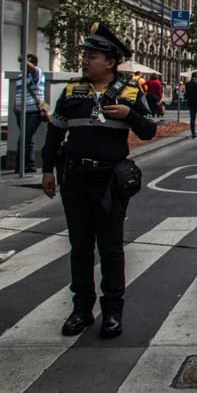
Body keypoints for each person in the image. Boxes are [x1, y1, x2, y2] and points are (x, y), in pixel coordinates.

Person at [40, 24, 155, 339]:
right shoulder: (73, 91)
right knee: (79, 247)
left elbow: (148, 130)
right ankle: (81, 309)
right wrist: (48, 169)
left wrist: (128, 115)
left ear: (110, 61)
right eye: (85, 56)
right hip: (75, 178)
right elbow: (54, 132)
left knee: (111, 249)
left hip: (109, 182)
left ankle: (113, 312)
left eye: (92, 56)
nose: (85, 61)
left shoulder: (131, 91)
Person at [13, 53, 46, 173]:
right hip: (21, 112)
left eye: (26, 63)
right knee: (28, 139)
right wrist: (15, 107)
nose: (23, 65)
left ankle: (19, 167)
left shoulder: (37, 73)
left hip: (33, 112)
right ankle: (30, 165)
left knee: (24, 138)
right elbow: (18, 93)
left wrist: (23, 57)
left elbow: (32, 68)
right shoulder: (20, 77)